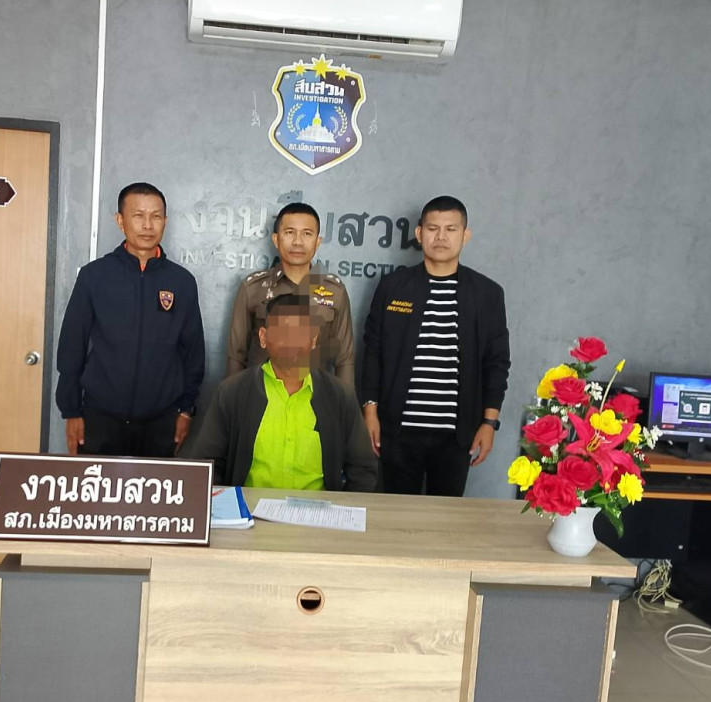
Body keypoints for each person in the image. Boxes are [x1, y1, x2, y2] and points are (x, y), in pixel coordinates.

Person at [361, 196, 510, 496]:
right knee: (397, 514)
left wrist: (489, 422)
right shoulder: (393, 287)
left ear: (465, 235)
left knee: (446, 516)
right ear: (419, 234)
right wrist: (370, 412)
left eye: (451, 229)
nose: (441, 237)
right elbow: (373, 352)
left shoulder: (487, 294)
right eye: (433, 228)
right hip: (397, 431)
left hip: (457, 436)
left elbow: (496, 363)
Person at [56, 182, 205, 458]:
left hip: (161, 421)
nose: (147, 225)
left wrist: (186, 409)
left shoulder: (182, 282)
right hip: (99, 419)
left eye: (156, 216)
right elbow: (72, 346)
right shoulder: (94, 276)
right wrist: (71, 410)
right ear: (120, 221)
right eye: (138, 215)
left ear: (165, 221)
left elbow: (193, 352)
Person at [193, 293, 376, 491]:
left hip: (320, 509)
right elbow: (206, 464)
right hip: (250, 507)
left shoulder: (340, 396)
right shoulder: (232, 393)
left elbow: (363, 470)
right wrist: (228, 506)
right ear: (263, 337)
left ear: (314, 339)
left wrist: (343, 507)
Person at [226, 202, 354, 385]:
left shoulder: (334, 291)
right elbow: (236, 355)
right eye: (289, 232)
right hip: (261, 395)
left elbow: (344, 359)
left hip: (314, 397)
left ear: (318, 242)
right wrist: (232, 399)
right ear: (276, 239)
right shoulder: (253, 288)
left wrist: (345, 401)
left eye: (307, 234)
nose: (298, 242)